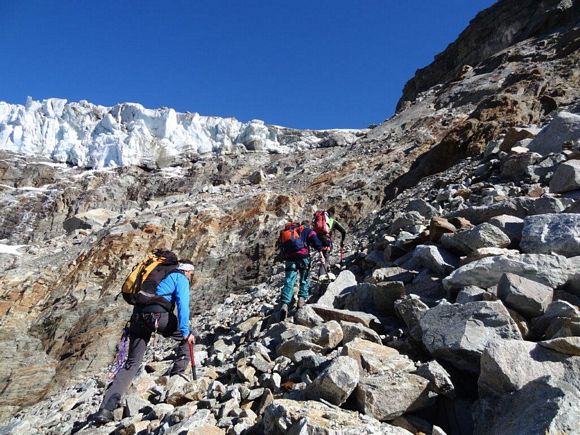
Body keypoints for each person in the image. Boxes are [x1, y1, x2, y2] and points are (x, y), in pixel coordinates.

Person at [91, 260, 196, 425]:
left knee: (131, 363)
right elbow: (183, 305)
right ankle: (177, 376)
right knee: (187, 338)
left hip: (138, 318)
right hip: (159, 317)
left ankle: (105, 409)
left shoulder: (155, 277)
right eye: (191, 274)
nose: (191, 277)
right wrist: (186, 331)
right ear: (187, 271)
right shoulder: (180, 278)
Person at [278, 221, 325, 319]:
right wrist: (321, 254)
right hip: (303, 257)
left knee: (289, 280)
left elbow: (281, 247)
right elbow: (315, 241)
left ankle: (285, 304)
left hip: (290, 258)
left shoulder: (285, 232)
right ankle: (301, 299)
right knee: (304, 278)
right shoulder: (306, 230)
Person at [315, 206, 347, 279]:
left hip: (318, 241)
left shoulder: (321, 219)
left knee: (322, 257)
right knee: (325, 258)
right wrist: (342, 241)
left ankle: (322, 273)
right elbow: (343, 231)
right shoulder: (332, 221)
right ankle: (322, 277)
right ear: (332, 213)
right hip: (326, 241)